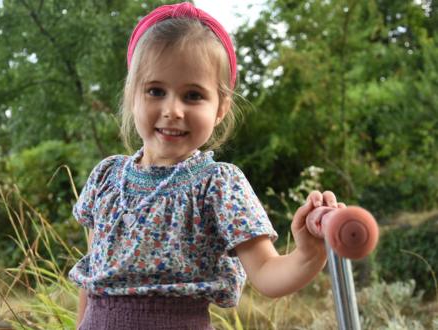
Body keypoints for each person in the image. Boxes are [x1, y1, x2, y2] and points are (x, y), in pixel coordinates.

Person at [69, 2, 342, 329]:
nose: (172, 110)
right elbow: (92, 278)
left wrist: (310, 254)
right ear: (132, 96)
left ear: (221, 108)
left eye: (193, 95)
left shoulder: (218, 185)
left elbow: (268, 275)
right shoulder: (106, 178)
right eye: (156, 91)